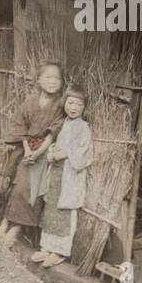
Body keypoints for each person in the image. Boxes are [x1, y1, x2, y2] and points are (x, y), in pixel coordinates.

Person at [0, 61, 67, 246]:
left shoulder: (60, 105)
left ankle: (17, 229)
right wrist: (27, 149)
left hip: (44, 152)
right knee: (16, 185)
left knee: (32, 190)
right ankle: (6, 221)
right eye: (48, 77)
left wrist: (37, 153)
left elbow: (54, 132)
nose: (52, 81)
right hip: (26, 149)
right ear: (38, 80)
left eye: (56, 78)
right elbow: (21, 127)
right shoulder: (29, 102)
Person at [29, 85, 93, 268]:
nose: (73, 107)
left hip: (70, 175)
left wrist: (64, 154)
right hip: (56, 173)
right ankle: (46, 247)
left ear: (84, 107)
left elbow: (85, 153)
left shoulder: (84, 127)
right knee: (51, 210)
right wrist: (50, 153)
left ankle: (60, 251)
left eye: (78, 104)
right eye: (70, 102)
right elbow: (54, 143)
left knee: (64, 213)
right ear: (64, 103)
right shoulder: (63, 123)